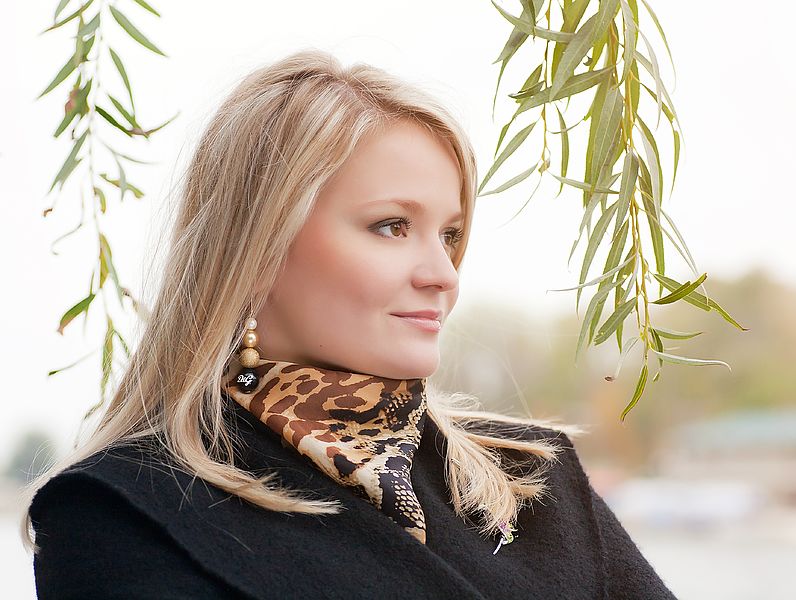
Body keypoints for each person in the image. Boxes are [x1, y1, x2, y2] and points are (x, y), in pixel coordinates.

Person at [21, 48, 678, 599]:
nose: (442, 273)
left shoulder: (533, 480)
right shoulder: (125, 513)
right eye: (391, 227)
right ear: (257, 251)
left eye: (449, 234)